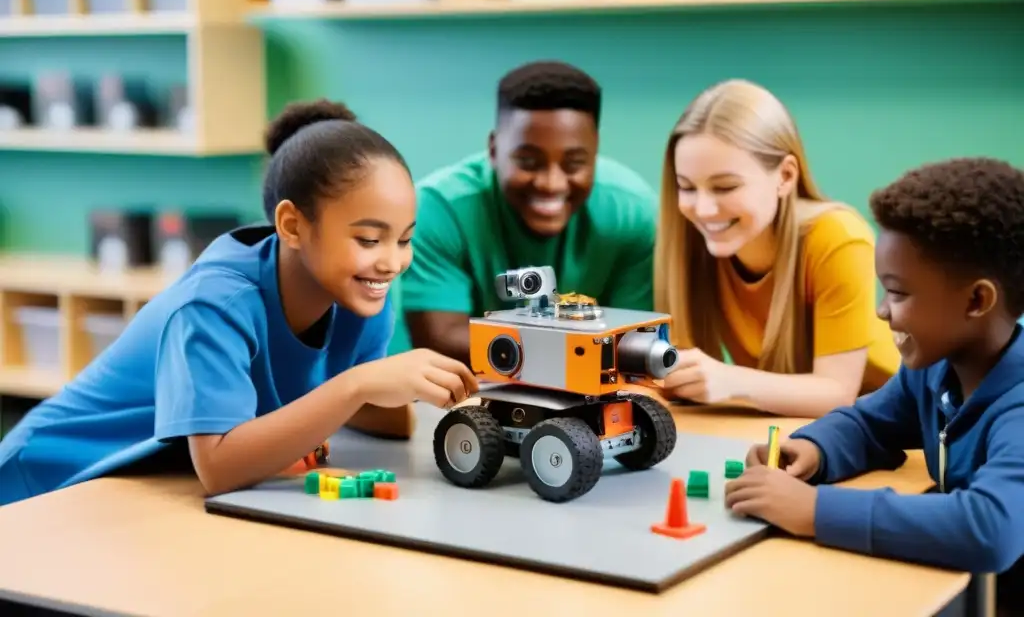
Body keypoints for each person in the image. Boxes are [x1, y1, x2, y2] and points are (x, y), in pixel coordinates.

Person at [0, 100, 477, 506]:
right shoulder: (215, 304)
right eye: (370, 239)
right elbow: (220, 468)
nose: (391, 262)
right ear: (291, 226)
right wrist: (356, 385)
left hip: (139, 491)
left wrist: (392, 389)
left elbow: (381, 419)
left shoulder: (361, 294)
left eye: (404, 240)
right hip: (45, 486)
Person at [724, 157, 1024, 616]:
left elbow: (990, 528)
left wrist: (814, 510)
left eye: (899, 293)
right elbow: (871, 424)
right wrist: (814, 450)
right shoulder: (934, 369)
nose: (883, 311)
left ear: (977, 300)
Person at [654, 79, 899, 417]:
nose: (704, 209)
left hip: (893, 426)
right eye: (686, 187)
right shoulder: (691, 243)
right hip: (784, 426)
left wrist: (730, 381)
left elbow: (837, 393)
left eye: (725, 187)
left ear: (785, 176)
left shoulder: (839, 237)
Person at [401, 60, 657, 364]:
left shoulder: (634, 213)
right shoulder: (438, 208)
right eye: (528, 162)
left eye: (574, 163)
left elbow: (633, 339)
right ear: (494, 150)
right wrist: (567, 353)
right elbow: (439, 340)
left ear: (595, 151)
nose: (551, 183)